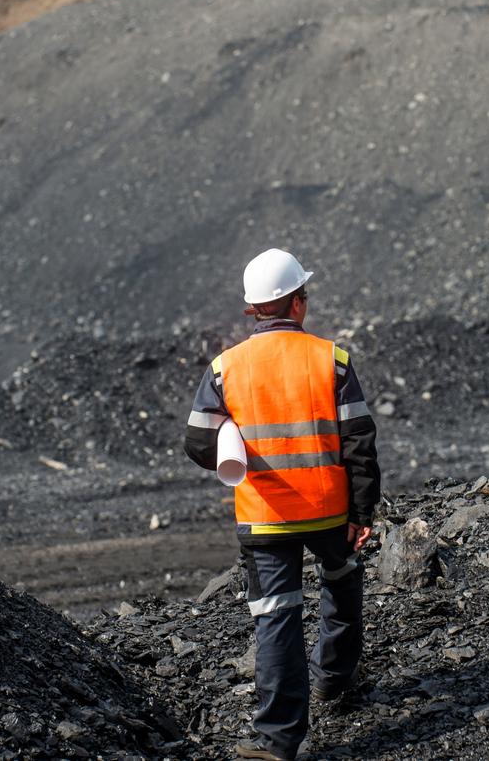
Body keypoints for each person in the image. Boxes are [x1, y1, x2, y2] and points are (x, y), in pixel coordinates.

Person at [184, 248, 381, 761]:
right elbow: (360, 440)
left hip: (265, 516)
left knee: (276, 618)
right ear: (296, 304)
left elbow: (199, 443)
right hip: (330, 512)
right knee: (341, 587)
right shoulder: (331, 360)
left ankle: (278, 741)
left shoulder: (225, 369)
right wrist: (363, 512)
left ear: (255, 310)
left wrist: (232, 440)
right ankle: (334, 681)